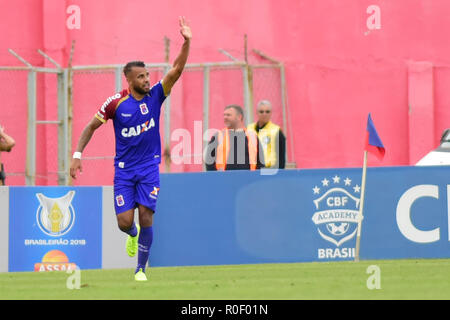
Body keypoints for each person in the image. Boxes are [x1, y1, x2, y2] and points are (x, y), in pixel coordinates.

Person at [69, 16, 192, 281]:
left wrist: (187, 41)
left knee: (146, 215)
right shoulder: (116, 103)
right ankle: (132, 235)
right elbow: (90, 126)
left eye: (147, 75)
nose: (147, 80)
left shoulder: (156, 96)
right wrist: (77, 155)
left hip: (149, 168)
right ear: (129, 80)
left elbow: (176, 70)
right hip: (124, 171)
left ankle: (140, 270)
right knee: (125, 222)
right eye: (141, 77)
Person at [205, 105, 264, 171]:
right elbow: (209, 161)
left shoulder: (253, 137)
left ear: (239, 117)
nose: (225, 117)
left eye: (228, 115)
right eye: (224, 115)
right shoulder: (218, 136)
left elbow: (261, 163)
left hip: (248, 179)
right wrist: (216, 177)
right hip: (224, 179)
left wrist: (256, 178)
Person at [247, 100, 286, 169]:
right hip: (252, 168)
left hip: (270, 168)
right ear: (256, 113)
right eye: (261, 112)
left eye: (267, 112)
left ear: (271, 113)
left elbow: (281, 156)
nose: (264, 114)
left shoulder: (276, 130)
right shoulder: (249, 129)